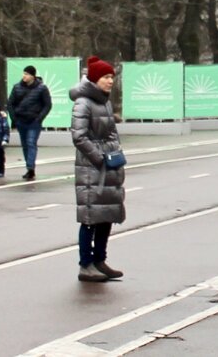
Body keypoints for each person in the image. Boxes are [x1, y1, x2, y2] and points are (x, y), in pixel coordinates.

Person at [70, 56, 126, 283]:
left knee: (106, 215)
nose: (110, 81)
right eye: (106, 77)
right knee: (90, 217)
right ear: (94, 79)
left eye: (112, 77)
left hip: (108, 163)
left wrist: (114, 150)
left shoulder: (104, 101)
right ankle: (86, 264)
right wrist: (99, 157)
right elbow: (79, 136)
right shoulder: (83, 103)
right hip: (90, 167)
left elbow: (112, 132)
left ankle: (100, 260)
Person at [8, 65, 52, 180]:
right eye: (24, 73)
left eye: (27, 74)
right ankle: (29, 168)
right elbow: (10, 103)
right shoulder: (17, 87)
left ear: (33, 76)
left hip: (34, 121)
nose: (24, 76)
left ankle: (30, 167)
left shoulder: (41, 88)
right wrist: (14, 119)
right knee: (25, 145)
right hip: (21, 120)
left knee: (31, 142)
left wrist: (39, 118)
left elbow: (47, 105)